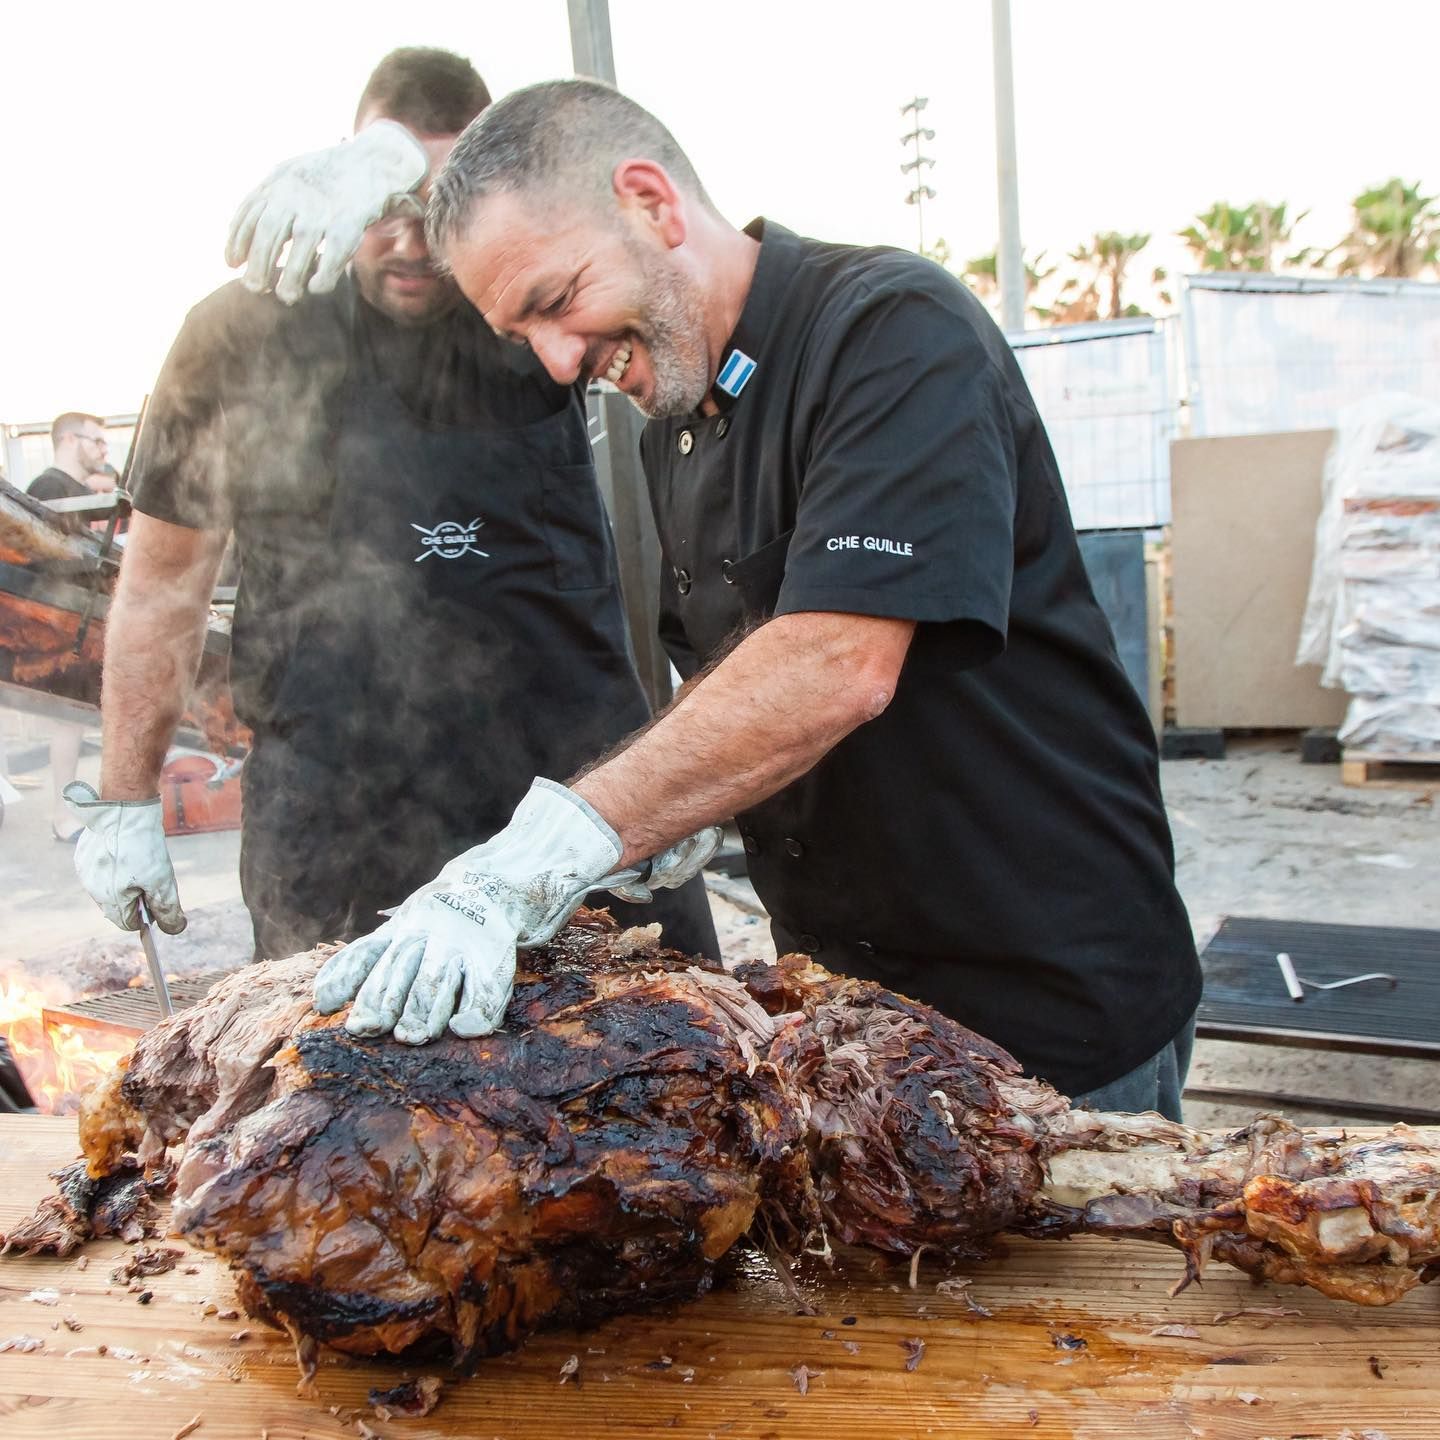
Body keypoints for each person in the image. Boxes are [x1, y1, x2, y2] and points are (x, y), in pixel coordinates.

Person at [234, 79, 1200, 1117]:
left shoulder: (894, 331)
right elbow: (735, 675)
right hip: (850, 1014)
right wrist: (680, 805)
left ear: (651, 202)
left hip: (1049, 1007)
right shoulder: (676, 430)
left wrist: (535, 857)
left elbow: (835, 661)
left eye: (557, 301)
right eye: (526, 338)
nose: (562, 363)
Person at [65, 54, 719, 964]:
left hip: (577, 792)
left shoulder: (533, 300)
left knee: (662, 1063)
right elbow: (163, 585)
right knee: (339, 1093)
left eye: (435, 202)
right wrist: (127, 799)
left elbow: (684, 254)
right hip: (336, 814)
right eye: (388, 206)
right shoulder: (236, 333)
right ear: (343, 173)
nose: (413, 244)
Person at [29, 412, 113, 839]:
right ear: (68, 439)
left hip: (84, 621)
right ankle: (62, 817)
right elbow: (41, 562)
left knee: (79, 721)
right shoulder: (47, 488)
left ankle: (81, 809)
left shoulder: (79, 492)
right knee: (67, 720)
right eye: (96, 441)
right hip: (57, 624)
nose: (103, 449)